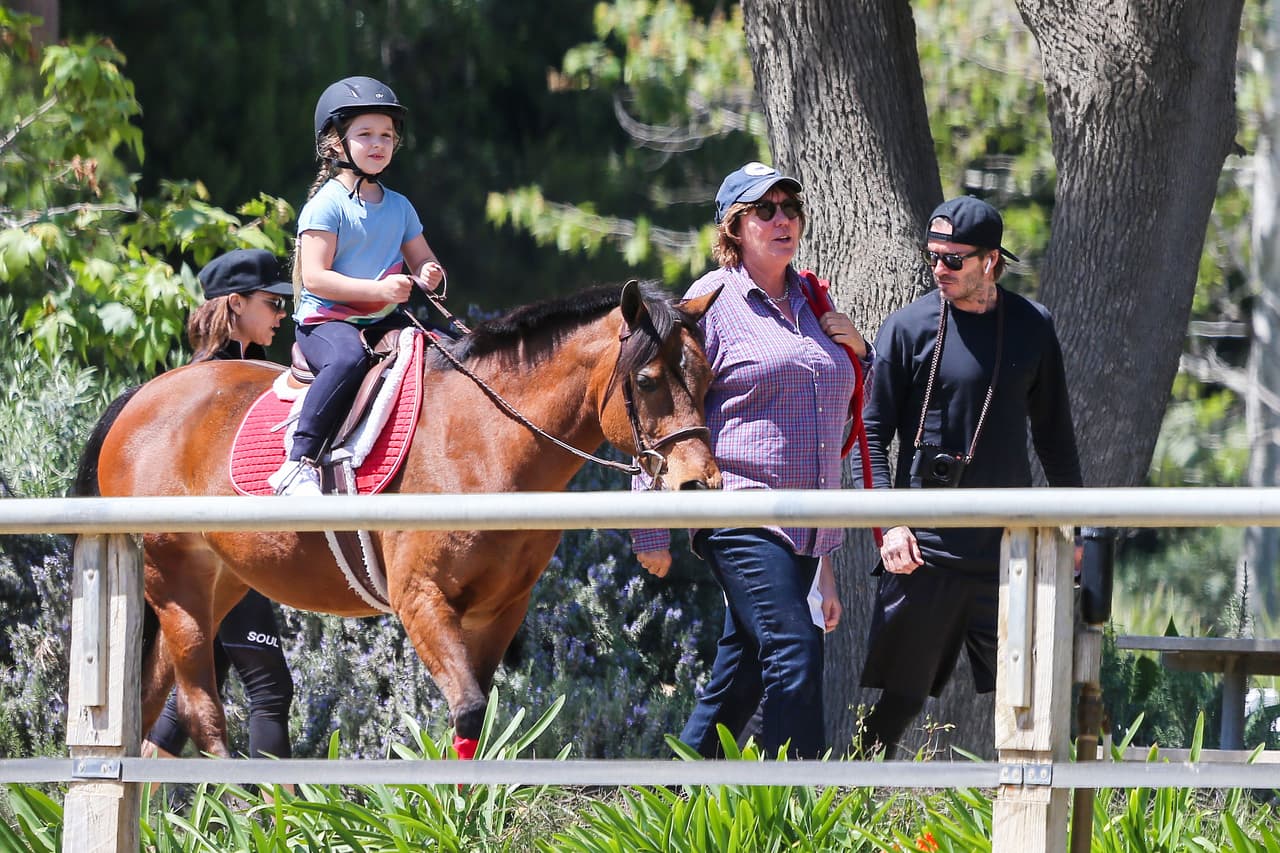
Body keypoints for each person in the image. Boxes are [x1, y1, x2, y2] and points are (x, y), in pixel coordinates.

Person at [632, 162, 871, 759]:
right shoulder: (704, 306)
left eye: (791, 207)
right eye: (766, 210)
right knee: (794, 652)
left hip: (805, 528)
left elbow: (827, 429)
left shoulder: (817, 303)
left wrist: (825, 567)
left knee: (737, 683)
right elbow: (660, 411)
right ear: (735, 227)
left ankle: (669, 812)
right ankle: (801, 813)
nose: (783, 219)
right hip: (738, 508)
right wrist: (649, 525)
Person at [857, 195, 1082, 757]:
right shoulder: (907, 328)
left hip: (1010, 550)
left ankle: (1030, 825)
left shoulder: (1032, 327)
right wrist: (890, 527)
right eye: (933, 256)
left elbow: (1055, 438)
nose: (940, 270)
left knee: (1032, 699)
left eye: (954, 259)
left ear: (990, 261)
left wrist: (1078, 528)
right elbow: (870, 435)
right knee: (901, 701)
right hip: (925, 550)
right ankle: (845, 806)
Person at [144, 248, 295, 764]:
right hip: (222, 552)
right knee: (269, 689)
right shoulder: (223, 385)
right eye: (273, 303)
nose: (282, 314)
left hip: (230, 546)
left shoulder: (231, 377)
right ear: (236, 303)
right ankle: (275, 831)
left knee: (191, 692)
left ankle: (129, 815)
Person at [268, 75, 445, 497]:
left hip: (382, 320)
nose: (379, 143)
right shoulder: (325, 205)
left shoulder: (400, 206)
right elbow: (314, 278)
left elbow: (424, 259)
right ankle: (299, 461)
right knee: (347, 359)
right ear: (334, 143)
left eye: (386, 134)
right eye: (365, 134)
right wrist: (380, 292)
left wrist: (431, 274)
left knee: (443, 351)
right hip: (325, 324)